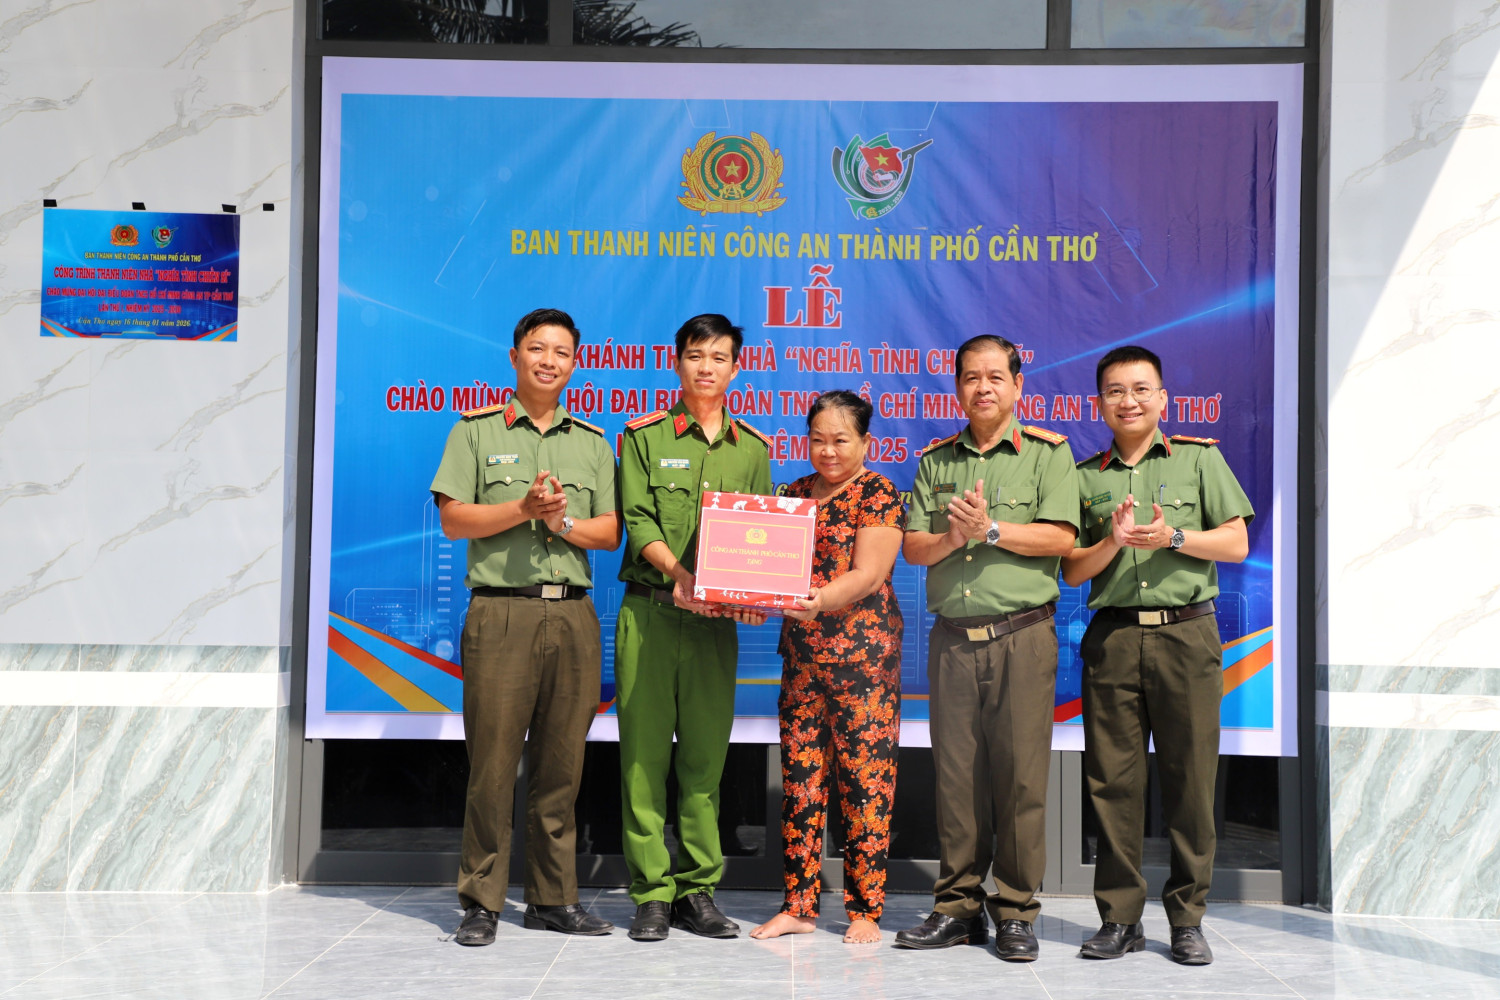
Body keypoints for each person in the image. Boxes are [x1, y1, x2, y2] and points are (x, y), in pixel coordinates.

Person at [430, 308, 622, 946]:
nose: (549, 361)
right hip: (501, 612)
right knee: (491, 765)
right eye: (537, 349)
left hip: (572, 614)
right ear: (514, 357)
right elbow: (453, 520)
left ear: (575, 363)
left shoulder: (592, 443)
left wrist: (561, 522)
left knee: (562, 767)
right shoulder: (475, 431)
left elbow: (610, 532)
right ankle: (481, 902)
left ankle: (552, 899)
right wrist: (523, 507)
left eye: (561, 352)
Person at [1062, 345, 1253, 966]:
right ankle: (1119, 919)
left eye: (1141, 389)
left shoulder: (1199, 458)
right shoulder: (1084, 476)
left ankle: (1187, 919)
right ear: (1100, 403)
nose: (1129, 401)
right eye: (1115, 391)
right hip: (1114, 638)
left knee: (1190, 781)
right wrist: (1112, 542)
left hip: (1185, 636)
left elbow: (1236, 542)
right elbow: (1072, 571)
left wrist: (1173, 536)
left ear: (1163, 398)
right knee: (1113, 783)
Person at [896, 334, 1079, 962]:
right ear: (957, 387)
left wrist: (991, 528)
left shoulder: (1049, 455)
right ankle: (957, 907)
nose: (983, 388)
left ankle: (1017, 911)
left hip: (1021, 637)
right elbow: (913, 548)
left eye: (995, 377)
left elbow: (1060, 538)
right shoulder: (935, 461)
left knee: (1021, 780)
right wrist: (955, 536)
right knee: (957, 781)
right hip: (953, 641)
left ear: (1018, 384)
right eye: (971, 377)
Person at [615, 313, 772, 942]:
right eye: (695, 355)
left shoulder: (753, 449)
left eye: (719, 357)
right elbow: (637, 519)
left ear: (737, 367)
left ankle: (698, 891)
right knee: (643, 760)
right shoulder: (643, 437)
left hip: (714, 628)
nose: (706, 367)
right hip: (651, 615)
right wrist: (681, 575)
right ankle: (652, 894)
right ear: (676, 362)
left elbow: (762, 533)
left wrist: (757, 594)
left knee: (705, 762)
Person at [748, 391, 906, 946]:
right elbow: (764, 567)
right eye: (818, 439)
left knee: (865, 782)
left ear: (866, 442)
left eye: (841, 440)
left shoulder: (879, 493)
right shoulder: (792, 496)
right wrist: (746, 596)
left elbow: (869, 573)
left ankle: (865, 909)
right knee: (801, 783)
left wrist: (819, 600)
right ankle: (798, 905)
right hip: (802, 660)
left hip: (864, 663)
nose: (829, 451)